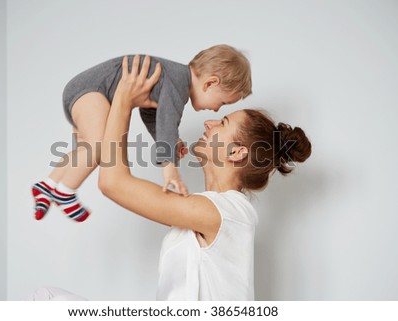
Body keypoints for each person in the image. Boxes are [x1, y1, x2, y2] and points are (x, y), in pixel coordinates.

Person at [97, 56, 312, 300]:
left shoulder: (227, 213)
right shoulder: (211, 210)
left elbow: (112, 183)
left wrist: (123, 100)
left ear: (236, 152)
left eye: (223, 122)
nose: (209, 122)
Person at [31, 45, 252, 222]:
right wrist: (169, 167)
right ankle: (65, 191)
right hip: (91, 91)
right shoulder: (177, 84)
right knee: (98, 146)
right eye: (222, 103)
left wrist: (168, 141)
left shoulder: (170, 79)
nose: (215, 110)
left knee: (86, 150)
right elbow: (167, 120)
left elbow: (151, 114)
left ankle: (48, 185)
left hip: (83, 90)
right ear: (210, 83)